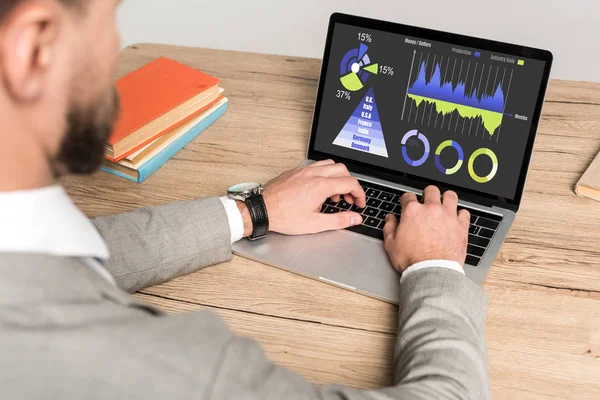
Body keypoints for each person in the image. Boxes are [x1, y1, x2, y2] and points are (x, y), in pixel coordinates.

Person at [0, 0, 490, 399]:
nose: (113, 49)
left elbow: (59, 262)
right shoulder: (166, 370)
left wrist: (253, 210)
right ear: (32, 46)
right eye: (109, 18)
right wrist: (435, 266)